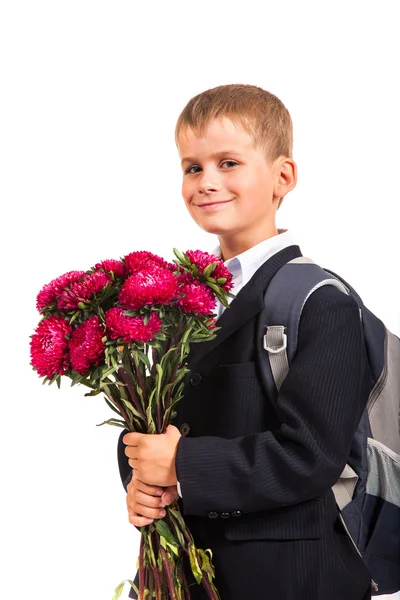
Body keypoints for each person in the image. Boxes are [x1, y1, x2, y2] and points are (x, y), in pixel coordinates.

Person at [117, 83, 374, 599]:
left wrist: (182, 465)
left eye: (228, 163)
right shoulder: (179, 305)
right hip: (191, 573)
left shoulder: (324, 302)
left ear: (284, 176)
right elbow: (154, 423)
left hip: (296, 579)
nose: (207, 181)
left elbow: (311, 456)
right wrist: (139, 480)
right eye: (193, 167)